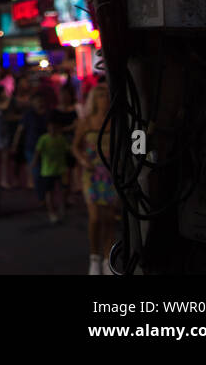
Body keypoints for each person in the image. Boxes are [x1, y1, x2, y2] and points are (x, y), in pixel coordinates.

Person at [72, 83, 118, 275]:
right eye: (102, 96)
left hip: (110, 174)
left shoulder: (114, 121)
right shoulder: (87, 121)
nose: (105, 100)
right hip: (91, 174)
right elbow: (75, 146)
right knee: (95, 217)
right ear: (95, 100)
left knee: (109, 219)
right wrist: (83, 160)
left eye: (107, 96)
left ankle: (108, 260)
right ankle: (94, 257)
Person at [33, 113, 69, 223]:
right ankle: (51, 212)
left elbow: (68, 150)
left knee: (64, 190)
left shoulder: (61, 139)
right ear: (47, 127)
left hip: (61, 169)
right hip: (47, 171)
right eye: (51, 126)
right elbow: (37, 153)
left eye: (55, 126)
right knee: (49, 192)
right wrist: (33, 164)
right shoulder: (43, 139)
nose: (53, 128)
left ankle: (61, 207)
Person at [13, 92, 48, 198]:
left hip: (46, 148)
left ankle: (45, 194)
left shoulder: (47, 114)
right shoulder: (28, 115)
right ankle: (41, 196)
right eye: (37, 101)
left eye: (41, 101)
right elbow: (19, 131)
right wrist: (15, 144)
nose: (39, 103)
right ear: (32, 103)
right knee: (36, 171)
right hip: (31, 147)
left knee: (46, 173)